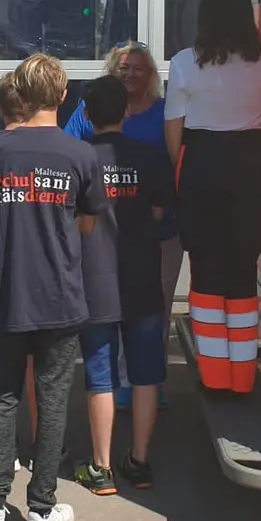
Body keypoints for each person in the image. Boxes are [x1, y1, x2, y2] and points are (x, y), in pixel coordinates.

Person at [0, 54, 106, 521]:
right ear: (64, 96)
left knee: (3, 398)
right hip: (61, 296)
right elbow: (87, 223)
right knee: (53, 400)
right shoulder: (80, 154)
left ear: (19, 93)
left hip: (5, 294)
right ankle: (41, 510)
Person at [164, 0, 261, 394]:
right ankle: (243, 377)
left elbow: (174, 132)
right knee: (242, 275)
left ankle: (215, 377)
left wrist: (182, 167)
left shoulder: (183, 64)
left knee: (206, 275)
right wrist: (253, 161)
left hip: (201, 167)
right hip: (247, 168)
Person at [70, 77, 173, 496]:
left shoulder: (76, 158)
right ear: (126, 111)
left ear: (87, 115)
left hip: (93, 281)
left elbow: (74, 218)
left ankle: (101, 468)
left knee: (100, 376)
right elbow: (160, 210)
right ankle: (140, 461)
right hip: (143, 277)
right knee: (146, 375)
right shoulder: (149, 157)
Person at [64, 43, 179, 409]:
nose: (131, 74)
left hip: (155, 234)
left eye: (139, 68)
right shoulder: (87, 112)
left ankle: (147, 379)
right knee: (105, 310)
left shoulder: (165, 112)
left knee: (153, 309)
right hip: (101, 231)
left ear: (151, 75)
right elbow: (67, 153)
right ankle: (115, 384)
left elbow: (175, 164)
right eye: (124, 68)